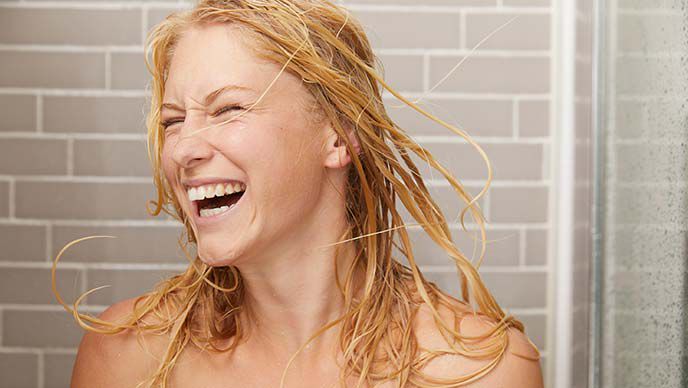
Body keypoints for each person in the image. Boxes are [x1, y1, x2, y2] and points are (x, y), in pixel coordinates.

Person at [53, 1, 544, 387]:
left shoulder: (477, 369)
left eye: (227, 109)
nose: (182, 148)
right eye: (173, 121)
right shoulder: (129, 355)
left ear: (338, 136)